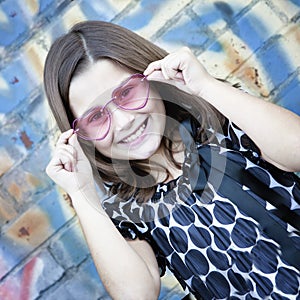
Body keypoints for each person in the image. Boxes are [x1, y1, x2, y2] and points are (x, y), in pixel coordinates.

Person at [44, 20, 300, 300]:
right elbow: (136, 295)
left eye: (127, 92)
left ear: (149, 75)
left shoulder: (217, 122)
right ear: (81, 136)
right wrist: (81, 193)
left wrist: (207, 87)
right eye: (96, 117)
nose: (124, 121)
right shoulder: (126, 208)